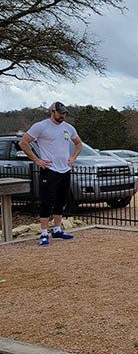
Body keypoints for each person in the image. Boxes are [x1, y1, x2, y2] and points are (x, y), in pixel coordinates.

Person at [19, 101, 82, 246]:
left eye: (64, 113)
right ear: (52, 112)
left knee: (61, 200)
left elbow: (79, 143)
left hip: (65, 170)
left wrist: (73, 157)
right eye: (60, 113)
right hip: (49, 170)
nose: (62, 116)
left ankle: (57, 229)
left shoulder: (68, 128)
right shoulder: (41, 126)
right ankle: (43, 232)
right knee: (47, 201)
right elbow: (24, 142)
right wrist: (37, 159)